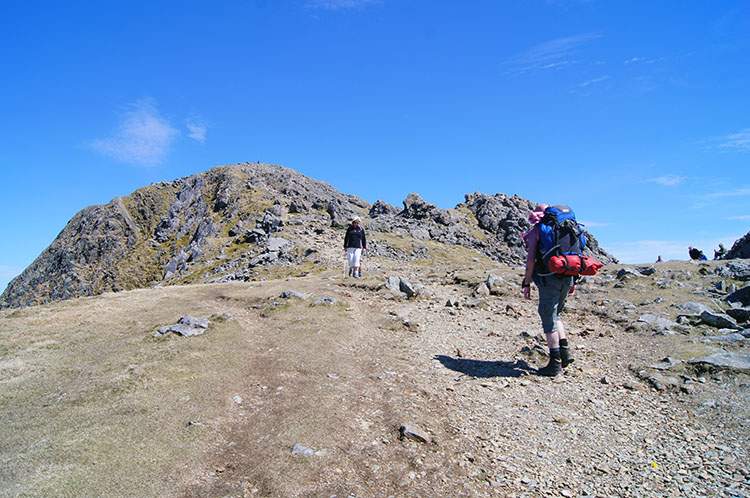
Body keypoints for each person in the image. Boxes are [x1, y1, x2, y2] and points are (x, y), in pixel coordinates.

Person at [521, 205, 575, 377]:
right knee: (556, 314)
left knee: (548, 316)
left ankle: (555, 363)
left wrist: (526, 283)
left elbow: (530, 261)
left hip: (548, 277)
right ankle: (565, 353)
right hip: (568, 275)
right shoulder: (568, 228)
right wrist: (573, 281)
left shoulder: (538, 230)